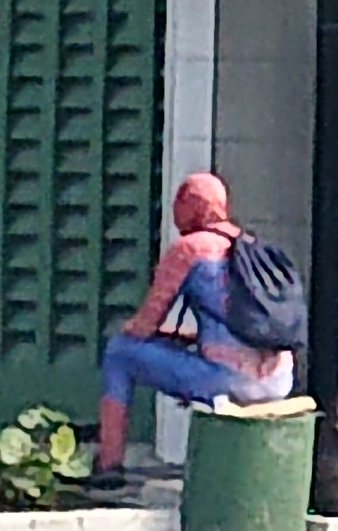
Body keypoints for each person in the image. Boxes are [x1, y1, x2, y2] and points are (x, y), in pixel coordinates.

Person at [98, 173, 296, 475]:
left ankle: (108, 464)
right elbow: (242, 325)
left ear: (190, 206)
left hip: (229, 381)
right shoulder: (250, 246)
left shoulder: (190, 249)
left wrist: (132, 329)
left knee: (119, 352)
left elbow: (144, 325)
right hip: (280, 380)